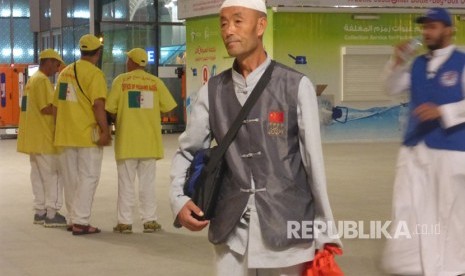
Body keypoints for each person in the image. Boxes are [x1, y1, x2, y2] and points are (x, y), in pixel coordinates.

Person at [169, 0, 341, 275]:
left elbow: (313, 165)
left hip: (287, 229)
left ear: (261, 25)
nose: (228, 30)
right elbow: (189, 150)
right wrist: (178, 198)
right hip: (231, 230)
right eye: (223, 23)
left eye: (238, 21)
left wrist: (324, 229)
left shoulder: (296, 86)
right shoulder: (211, 91)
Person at [382, 8, 465, 275]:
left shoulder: (462, 61)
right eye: (425, 27)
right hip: (415, 148)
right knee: (411, 207)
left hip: (451, 148)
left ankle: (452, 267)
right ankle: (414, 264)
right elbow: (390, 87)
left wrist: (443, 111)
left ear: (449, 29)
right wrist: (396, 61)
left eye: (433, 26)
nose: (427, 32)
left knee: (450, 212)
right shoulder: (416, 63)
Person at [106, 48, 177, 234]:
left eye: (127, 59)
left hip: (127, 141)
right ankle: (150, 220)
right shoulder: (155, 82)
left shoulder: (121, 81)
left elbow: (110, 108)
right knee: (148, 184)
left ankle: (124, 222)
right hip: (149, 141)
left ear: (132, 62)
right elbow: (169, 108)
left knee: (125, 183)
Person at [53, 34, 111, 235]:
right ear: (97, 53)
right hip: (86, 135)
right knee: (89, 177)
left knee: (71, 179)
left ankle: (72, 218)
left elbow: (57, 105)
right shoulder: (95, 75)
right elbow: (98, 104)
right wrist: (105, 130)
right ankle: (81, 221)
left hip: (64, 135)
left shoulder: (65, 73)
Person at [17, 49, 67, 228]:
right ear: (49, 62)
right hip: (44, 137)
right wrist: (68, 113)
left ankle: (40, 211)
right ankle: (52, 214)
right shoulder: (43, 81)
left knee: (37, 175)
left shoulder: (32, 81)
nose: (57, 68)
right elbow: (47, 108)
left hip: (32, 137)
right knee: (52, 175)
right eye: (56, 64)